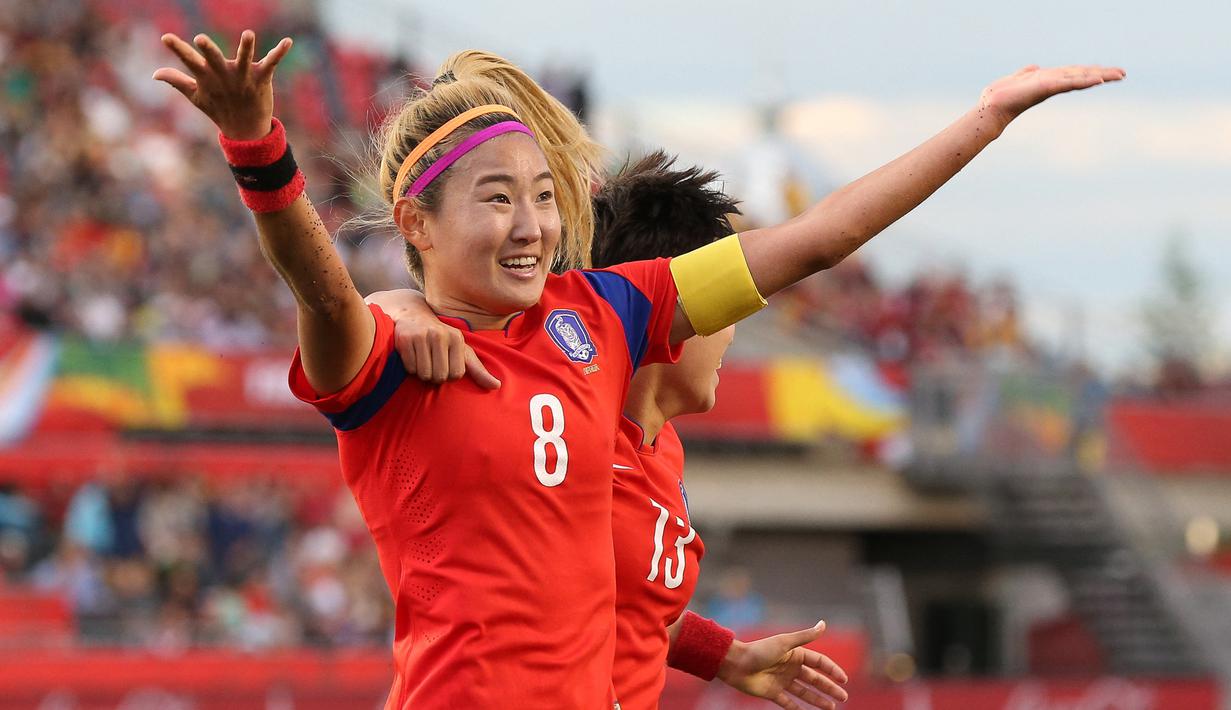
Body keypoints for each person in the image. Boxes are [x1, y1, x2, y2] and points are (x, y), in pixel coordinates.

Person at [153, 28, 1122, 709]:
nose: (532, 223)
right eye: (498, 198)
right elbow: (323, 295)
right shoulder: (389, 364)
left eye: (542, 195)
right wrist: (259, 148)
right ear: (416, 223)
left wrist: (985, 118)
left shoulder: (602, 316)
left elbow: (818, 239)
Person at [373, 152, 850, 710]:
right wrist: (396, 306)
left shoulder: (660, 445)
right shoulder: (556, 437)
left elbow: (621, 602)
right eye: (723, 311)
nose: (729, 335)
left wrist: (724, 655)